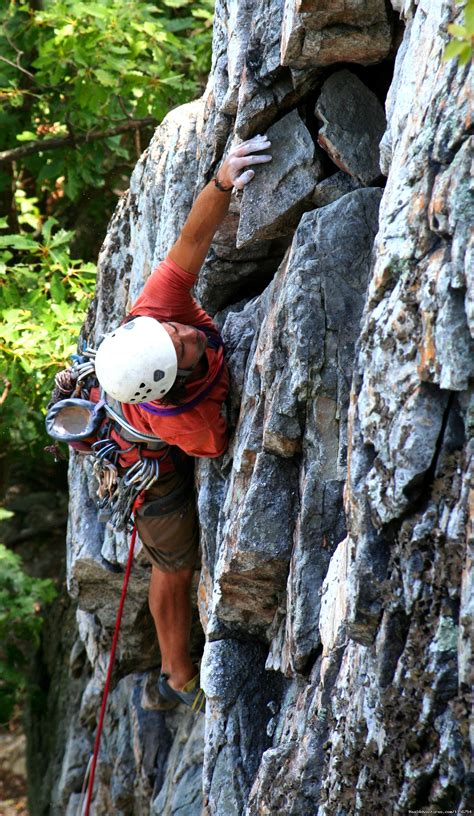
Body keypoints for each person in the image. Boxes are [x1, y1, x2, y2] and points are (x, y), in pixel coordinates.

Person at [89, 134, 272, 711]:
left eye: (175, 331)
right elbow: (214, 445)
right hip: (142, 453)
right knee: (174, 561)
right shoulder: (188, 421)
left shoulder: (154, 313)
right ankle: (174, 674)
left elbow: (193, 239)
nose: (187, 333)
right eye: (183, 348)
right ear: (175, 384)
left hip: (128, 391)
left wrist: (223, 178)